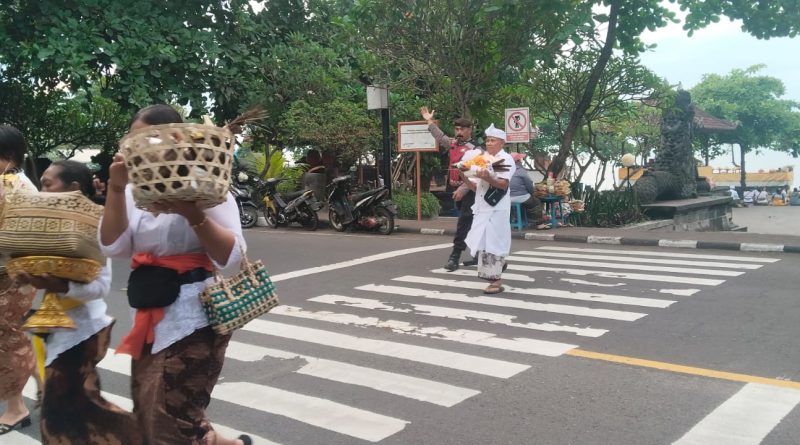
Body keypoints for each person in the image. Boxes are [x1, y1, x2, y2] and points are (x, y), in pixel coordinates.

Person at [99, 105, 251, 445]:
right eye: (133, 140)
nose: (139, 148)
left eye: (149, 138)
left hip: (194, 319)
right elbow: (113, 246)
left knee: (169, 420)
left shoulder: (206, 183)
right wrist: (115, 189)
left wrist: (192, 212)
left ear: (176, 139)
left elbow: (231, 258)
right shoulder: (133, 191)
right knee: (152, 410)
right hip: (149, 317)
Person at [13, 160, 144, 444]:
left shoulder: (93, 224)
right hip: (54, 326)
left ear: (73, 188)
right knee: (78, 405)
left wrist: (61, 285)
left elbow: (101, 286)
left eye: (48, 184)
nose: (41, 190)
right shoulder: (45, 225)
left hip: (82, 330)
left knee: (62, 412)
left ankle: (144, 434)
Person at [0, 125, 39, 436]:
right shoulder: (9, 183)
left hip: (12, 276)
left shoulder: (16, 187)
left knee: (8, 341)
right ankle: (45, 385)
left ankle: (16, 408)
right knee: (12, 337)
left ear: (9, 156)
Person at [420, 106, 482, 271]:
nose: (459, 132)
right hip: (455, 189)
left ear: (469, 130)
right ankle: (479, 254)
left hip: (471, 191)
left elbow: (475, 176)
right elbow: (440, 137)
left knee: (464, 222)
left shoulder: (476, 149)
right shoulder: (453, 143)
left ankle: (454, 257)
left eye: (462, 129)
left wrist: (463, 189)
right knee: (471, 223)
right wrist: (429, 120)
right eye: (457, 129)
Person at [464, 124, 515, 294]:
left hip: (496, 210)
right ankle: (500, 265)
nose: (489, 143)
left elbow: (503, 184)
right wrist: (463, 175)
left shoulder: (504, 159)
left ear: (502, 143)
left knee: (492, 245)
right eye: (487, 140)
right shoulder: (483, 159)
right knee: (479, 242)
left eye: (493, 140)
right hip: (482, 208)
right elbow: (475, 187)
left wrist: (488, 177)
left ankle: (496, 281)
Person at [508, 152, 543, 224]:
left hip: (508, 198)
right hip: (521, 197)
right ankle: (537, 223)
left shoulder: (505, 170)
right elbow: (529, 185)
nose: (521, 161)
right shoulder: (521, 171)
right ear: (517, 161)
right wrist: (532, 193)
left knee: (527, 202)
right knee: (536, 202)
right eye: (520, 160)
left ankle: (518, 219)